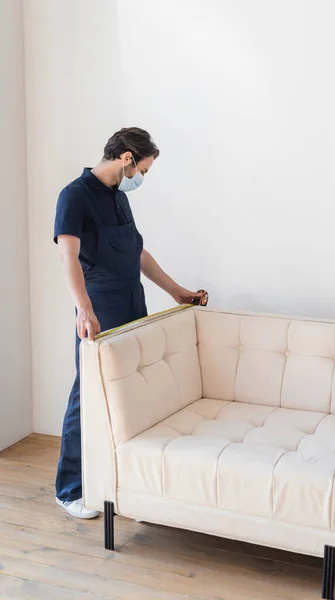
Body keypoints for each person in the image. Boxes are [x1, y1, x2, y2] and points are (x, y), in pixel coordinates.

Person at [54, 127, 202, 519]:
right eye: (144, 170)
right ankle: (70, 489)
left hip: (132, 300)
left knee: (129, 394)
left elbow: (138, 253)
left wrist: (177, 291)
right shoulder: (74, 196)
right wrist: (84, 309)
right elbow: (68, 258)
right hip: (99, 306)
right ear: (127, 159)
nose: (142, 179)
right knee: (88, 394)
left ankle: (122, 484)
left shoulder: (119, 198)